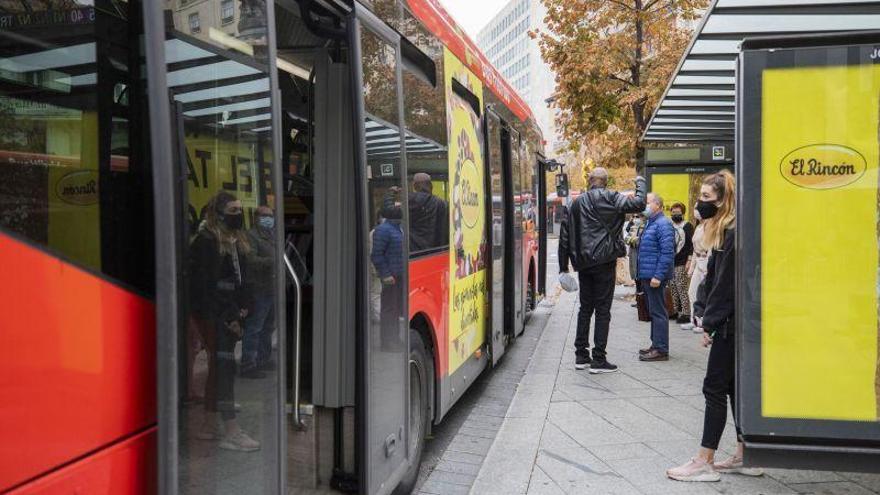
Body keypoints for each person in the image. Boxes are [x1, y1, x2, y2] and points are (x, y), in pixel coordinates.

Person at [667, 170, 763, 481]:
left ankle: (704, 461)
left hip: (730, 324)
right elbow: (716, 281)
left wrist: (709, 322)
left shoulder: (730, 234)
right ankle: (745, 454)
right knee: (734, 389)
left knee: (714, 388)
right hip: (734, 321)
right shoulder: (728, 231)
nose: (700, 203)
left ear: (723, 201)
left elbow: (725, 285)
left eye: (707, 198)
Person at [189, 191, 260, 452]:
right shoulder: (206, 242)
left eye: (240, 209)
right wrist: (231, 315)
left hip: (227, 312)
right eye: (233, 210)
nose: (238, 215)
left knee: (219, 369)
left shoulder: (233, 240)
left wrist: (245, 308)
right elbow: (209, 287)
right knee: (224, 369)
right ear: (218, 213)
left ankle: (209, 425)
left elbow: (241, 279)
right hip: (213, 314)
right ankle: (231, 430)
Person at [559, 168, 646, 373]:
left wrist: (563, 268)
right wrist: (640, 182)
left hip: (584, 264)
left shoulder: (575, 203)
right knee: (603, 310)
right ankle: (598, 359)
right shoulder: (612, 197)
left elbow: (564, 237)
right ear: (606, 182)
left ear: (589, 181)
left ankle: (581, 355)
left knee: (585, 309)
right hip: (605, 262)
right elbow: (639, 204)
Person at [637, 193, 676, 362]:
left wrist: (658, 276)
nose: (644, 205)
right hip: (648, 274)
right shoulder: (652, 223)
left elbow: (667, 252)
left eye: (647, 202)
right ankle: (655, 345)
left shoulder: (663, 224)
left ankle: (661, 349)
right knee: (654, 311)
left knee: (659, 312)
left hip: (654, 276)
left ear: (658, 205)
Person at [240, 205, 276, 378]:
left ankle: (264, 358)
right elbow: (250, 260)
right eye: (264, 215)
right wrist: (271, 261)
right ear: (256, 217)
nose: (268, 219)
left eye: (270, 215)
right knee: (255, 327)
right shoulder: (251, 236)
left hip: (272, 287)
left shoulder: (272, 234)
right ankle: (248, 364)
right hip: (259, 288)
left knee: (268, 326)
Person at [372, 191, 405, 347]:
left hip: (398, 275)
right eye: (395, 206)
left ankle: (395, 339)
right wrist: (385, 274)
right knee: (389, 310)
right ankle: (388, 341)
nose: (399, 208)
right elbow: (376, 255)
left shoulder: (398, 228)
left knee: (395, 309)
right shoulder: (384, 229)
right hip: (390, 276)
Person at [681, 209, 708, 332]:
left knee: (704, 294)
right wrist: (691, 268)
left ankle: (703, 322)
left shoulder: (711, 227)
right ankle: (694, 319)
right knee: (692, 292)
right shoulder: (698, 227)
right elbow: (694, 249)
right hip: (698, 262)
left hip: (707, 261)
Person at [669, 203, 694, 324]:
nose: (675, 215)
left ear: (683, 213)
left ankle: (686, 312)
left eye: (678, 212)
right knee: (672, 287)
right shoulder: (669, 226)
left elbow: (691, 245)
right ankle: (674, 310)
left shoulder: (688, 226)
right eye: (673, 212)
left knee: (681, 287)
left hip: (682, 261)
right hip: (671, 261)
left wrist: (689, 260)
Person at [409, 173, 448, 252]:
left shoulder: (409, 201)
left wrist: (391, 195)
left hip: (414, 252)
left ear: (415, 186)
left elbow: (389, 212)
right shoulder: (441, 203)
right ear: (431, 186)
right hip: (436, 250)